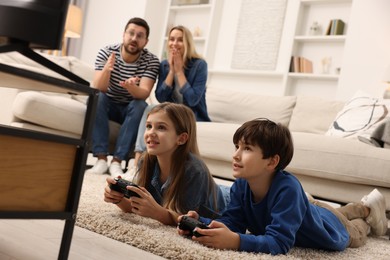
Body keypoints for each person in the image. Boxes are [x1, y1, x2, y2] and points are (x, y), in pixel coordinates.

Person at [178, 118, 388, 255]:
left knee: (358, 231)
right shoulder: (241, 185)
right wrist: (203, 223)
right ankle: (359, 206)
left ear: (271, 162)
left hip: (334, 227)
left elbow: (279, 243)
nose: (235, 154)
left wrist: (236, 242)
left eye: (247, 148)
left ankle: (367, 210)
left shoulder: (288, 189)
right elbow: (233, 221)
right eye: (237, 147)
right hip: (312, 210)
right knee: (326, 210)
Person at [103, 103, 226, 225]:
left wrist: (157, 212)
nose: (151, 132)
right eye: (148, 126)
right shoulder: (146, 160)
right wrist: (118, 199)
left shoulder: (194, 170)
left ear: (181, 138)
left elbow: (184, 220)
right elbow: (139, 208)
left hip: (227, 200)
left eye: (161, 127)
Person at [127, 25, 211, 176]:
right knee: (150, 109)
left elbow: (192, 100)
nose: (175, 43)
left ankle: (139, 166)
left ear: (188, 43)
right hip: (170, 114)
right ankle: (137, 163)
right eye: (172, 39)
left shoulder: (199, 65)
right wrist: (171, 71)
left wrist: (179, 71)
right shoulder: (164, 65)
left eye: (180, 40)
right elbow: (161, 97)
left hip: (191, 115)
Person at [87, 17, 160, 177]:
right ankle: (101, 159)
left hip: (131, 109)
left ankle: (117, 162)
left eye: (140, 36)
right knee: (97, 97)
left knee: (140, 105)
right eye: (131, 33)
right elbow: (98, 87)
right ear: (124, 34)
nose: (134, 39)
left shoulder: (151, 61)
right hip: (108, 104)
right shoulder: (106, 52)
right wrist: (107, 69)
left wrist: (131, 87)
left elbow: (145, 93)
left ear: (146, 41)